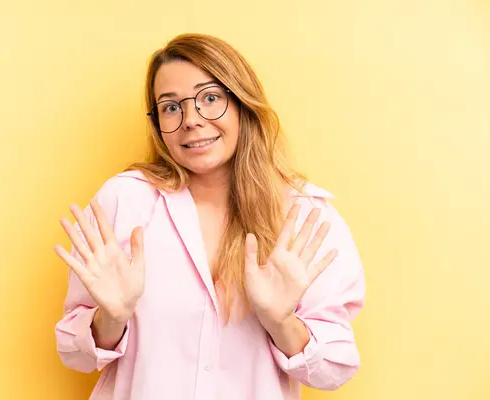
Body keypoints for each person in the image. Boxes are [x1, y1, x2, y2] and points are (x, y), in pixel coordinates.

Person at [53, 33, 366, 400]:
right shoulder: (125, 200)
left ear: (242, 104)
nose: (190, 120)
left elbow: (334, 368)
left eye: (210, 98)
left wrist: (282, 322)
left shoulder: (305, 217)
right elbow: (75, 355)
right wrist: (112, 318)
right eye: (171, 107)